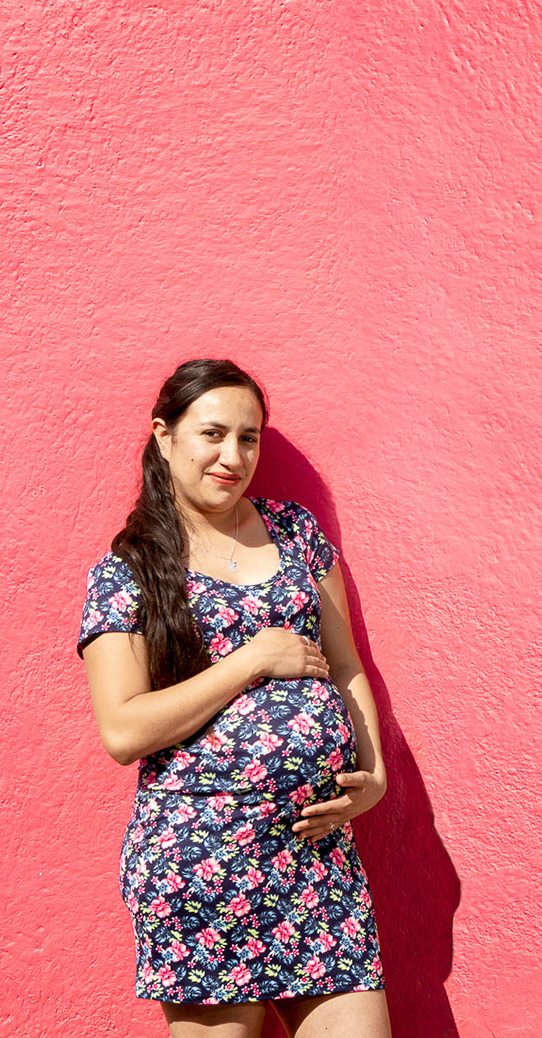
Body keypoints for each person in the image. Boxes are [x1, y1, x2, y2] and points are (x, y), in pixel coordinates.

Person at [78, 359, 391, 1037]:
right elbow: (123, 731)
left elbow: (345, 664)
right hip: (201, 864)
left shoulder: (296, 532)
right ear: (164, 436)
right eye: (213, 434)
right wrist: (251, 660)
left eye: (248, 438)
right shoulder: (128, 571)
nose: (232, 456)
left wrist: (375, 776)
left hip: (315, 858)